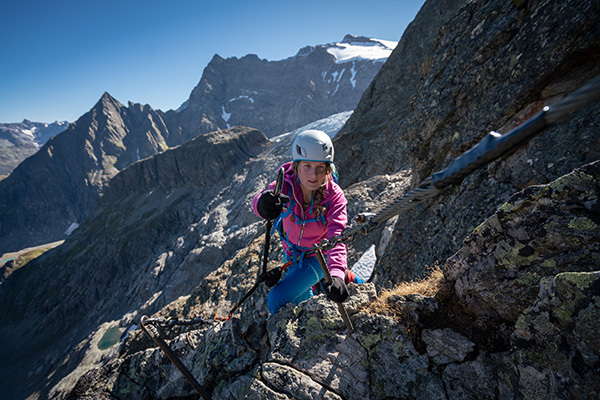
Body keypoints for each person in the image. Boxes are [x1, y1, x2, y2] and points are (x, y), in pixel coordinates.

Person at [252, 129, 349, 315]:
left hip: (318, 259)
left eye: (320, 167)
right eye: (307, 166)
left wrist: (337, 275)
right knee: (299, 299)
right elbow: (259, 201)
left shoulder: (334, 197)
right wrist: (261, 203)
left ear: (328, 169)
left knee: (276, 299)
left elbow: (337, 238)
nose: (313, 175)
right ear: (296, 166)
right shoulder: (285, 184)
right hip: (291, 255)